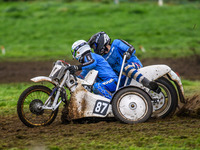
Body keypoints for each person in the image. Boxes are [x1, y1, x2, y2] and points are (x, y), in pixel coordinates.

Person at [88, 31, 161, 93]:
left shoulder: (116, 44)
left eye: (94, 47)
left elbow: (132, 48)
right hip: (122, 77)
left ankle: (147, 83)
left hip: (134, 66)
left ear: (100, 42)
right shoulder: (103, 58)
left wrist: (128, 53)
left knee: (125, 68)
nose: (94, 50)